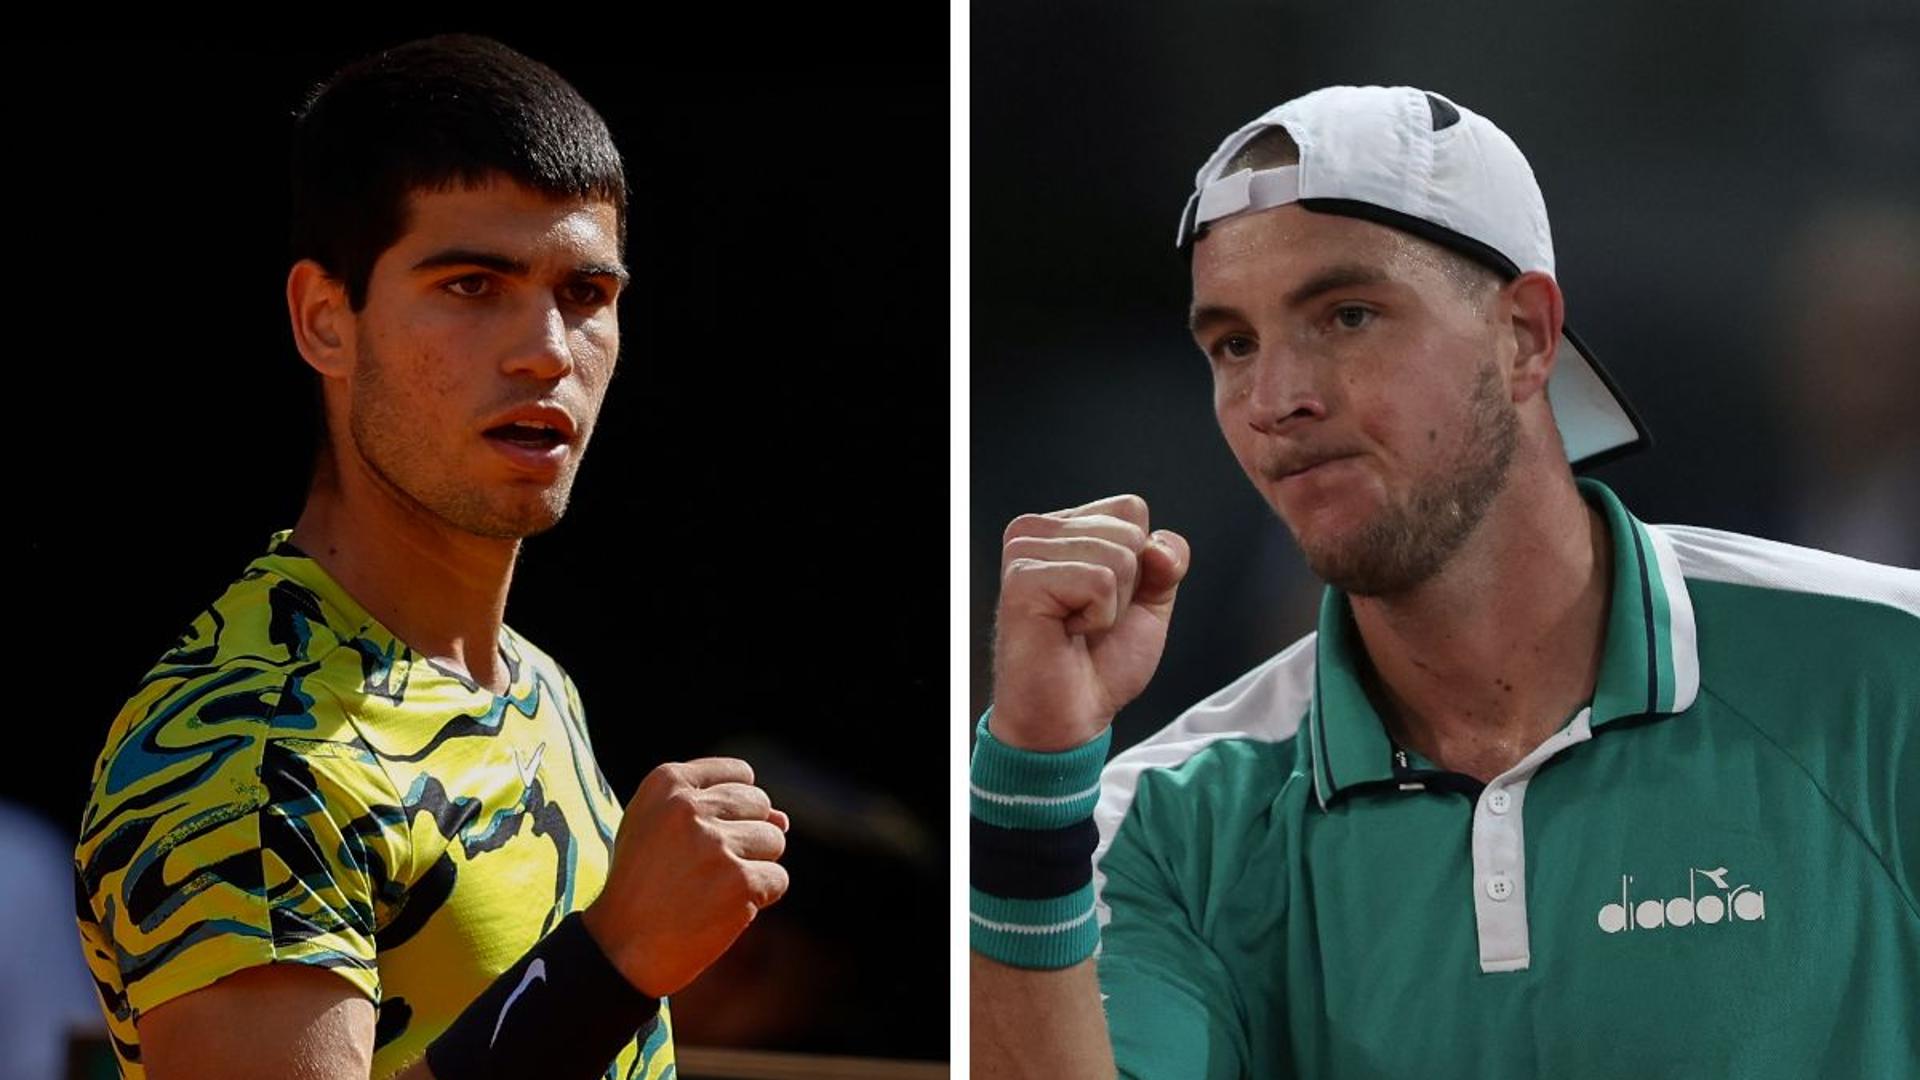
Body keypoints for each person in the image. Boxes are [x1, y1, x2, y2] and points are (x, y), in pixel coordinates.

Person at [970, 85, 1918, 1077]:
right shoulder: (1158, 822)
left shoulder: (1894, 674)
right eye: (1233, 344)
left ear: (1525, 337)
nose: (1274, 400)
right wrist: (1030, 775)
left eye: (1346, 314)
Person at [73, 35, 790, 1080]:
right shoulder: (253, 759)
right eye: (470, 285)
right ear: (326, 319)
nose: (546, 349)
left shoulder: (536, 684)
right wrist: (611, 963)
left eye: (586, 294)